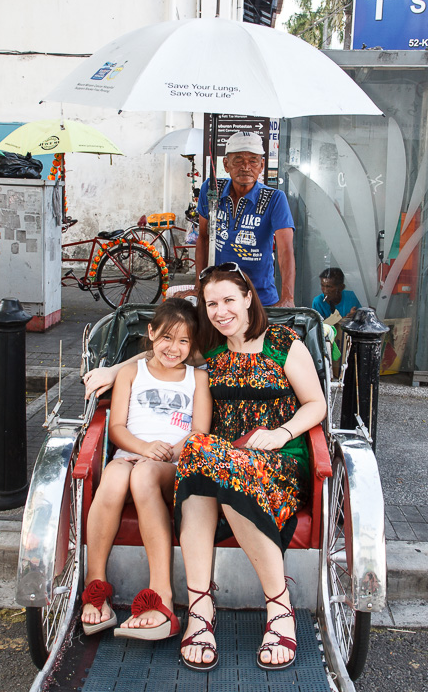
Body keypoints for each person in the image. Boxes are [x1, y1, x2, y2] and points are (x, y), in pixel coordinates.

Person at [174, 263, 326, 671]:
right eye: (211, 304)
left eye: (228, 300)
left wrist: (281, 433)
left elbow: (316, 403)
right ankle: (200, 608)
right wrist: (112, 370)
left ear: (247, 298)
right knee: (199, 451)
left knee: (214, 463)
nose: (220, 311)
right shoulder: (211, 348)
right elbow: (161, 354)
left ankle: (279, 606)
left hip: (279, 460)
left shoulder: (282, 343)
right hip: (223, 460)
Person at [81, 298, 212, 639]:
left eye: (183, 341)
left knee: (143, 473)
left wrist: (163, 454)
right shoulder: (130, 372)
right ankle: (96, 583)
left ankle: (160, 592)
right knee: (113, 478)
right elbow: (117, 427)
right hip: (132, 454)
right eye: (166, 337)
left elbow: (199, 432)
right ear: (151, 332)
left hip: (173, 463)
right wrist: (143, 449)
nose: (173, 348)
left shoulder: (197, 379)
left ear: (193, 345)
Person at [195, 131, 295, 307]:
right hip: (219, 296)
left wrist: (288, 297)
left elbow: (285, 250)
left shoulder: (274, 198)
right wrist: (199, 287)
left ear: (262, 165)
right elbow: (203, 238)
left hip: (261, 298)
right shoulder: (211, 190)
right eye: (238, 160)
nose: (246, 167)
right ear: (226, 164)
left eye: (253, 161)